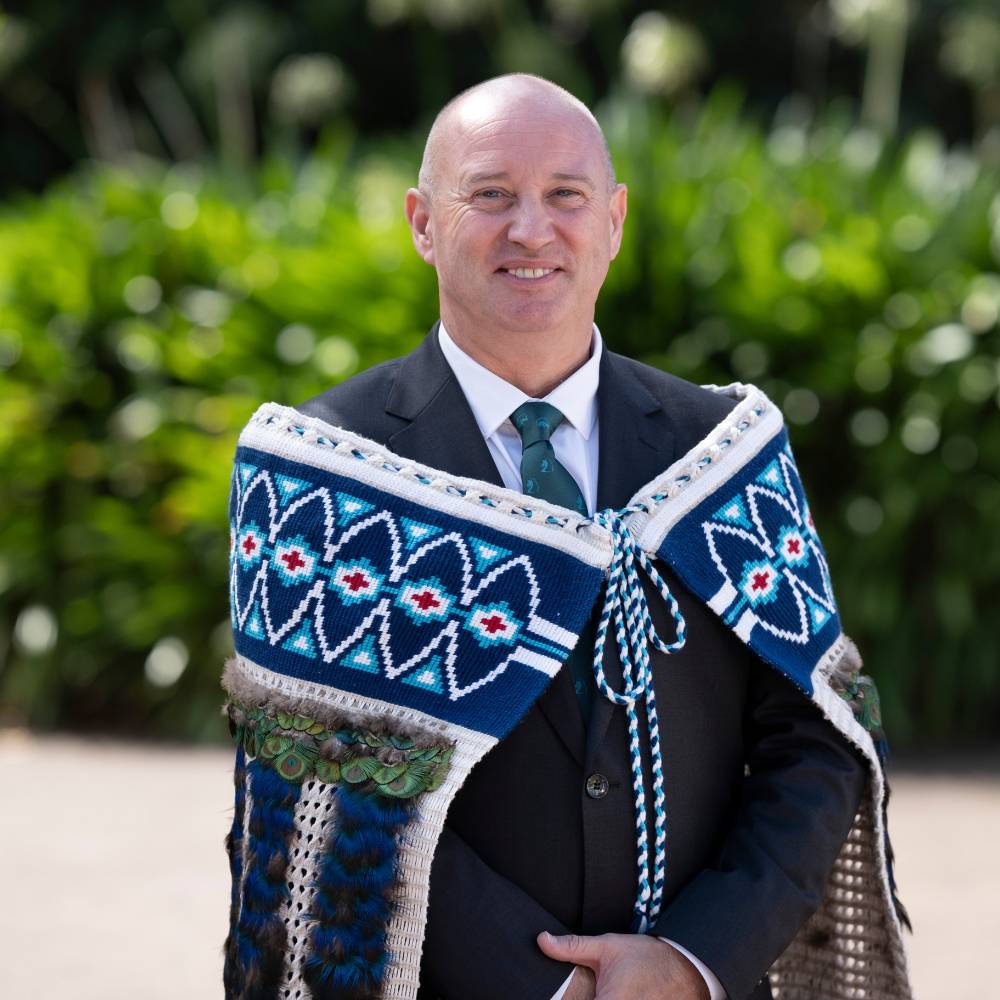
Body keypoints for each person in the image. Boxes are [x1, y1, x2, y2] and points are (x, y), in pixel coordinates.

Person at [296, 73, 869, 1000]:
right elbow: (322, 786)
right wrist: (554, 986)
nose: (531, 229)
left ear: (613, 221)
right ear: (422, 223)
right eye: (490, 195)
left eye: (565, 196)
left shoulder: (724, 449)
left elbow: (817, 739)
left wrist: (690, 960)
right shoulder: (325, 463)